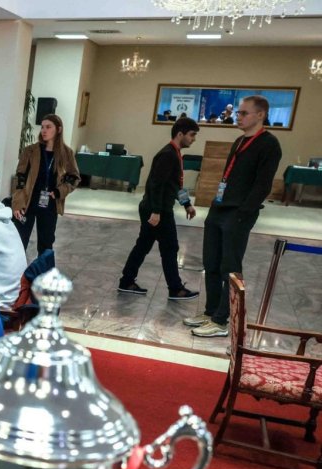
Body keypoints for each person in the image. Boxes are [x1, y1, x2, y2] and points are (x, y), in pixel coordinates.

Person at [187, 95, 282, 338]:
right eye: (238, 113)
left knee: (229, 267)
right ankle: (211, 312)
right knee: (211, 263)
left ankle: (222, 320)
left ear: (260, 115)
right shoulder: (239, 141)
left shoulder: (269, 144)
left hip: (238, 213)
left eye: (244, 113)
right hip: (219, 208)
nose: (238, 117)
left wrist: (244, 212)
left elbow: (263, 185)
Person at [118, 118, 201, 301]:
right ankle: (175, 289)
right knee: (170, 247)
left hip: (156, 208)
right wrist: (156, 211)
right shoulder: (168, 155)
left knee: (143, 245)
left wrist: (186, 204)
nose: (194, 139)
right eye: (192, 135)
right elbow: (156, 185)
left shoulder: (175, 154)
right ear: (180, 134)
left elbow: (175, 185)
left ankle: (126, 281)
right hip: (158, 210)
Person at [11, 114, 80, 256]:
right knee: (19, 241)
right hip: (28, 202)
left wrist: (59, 191)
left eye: (48, 127)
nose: (44, 130)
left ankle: (44, 270)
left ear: (58, 129)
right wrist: (17, 203)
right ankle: (17, 270)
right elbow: (20, 178)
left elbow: (74, 177)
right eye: (42, 127)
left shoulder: (66, 153)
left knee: (46, 244)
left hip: (50, 204)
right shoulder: (30, 151)